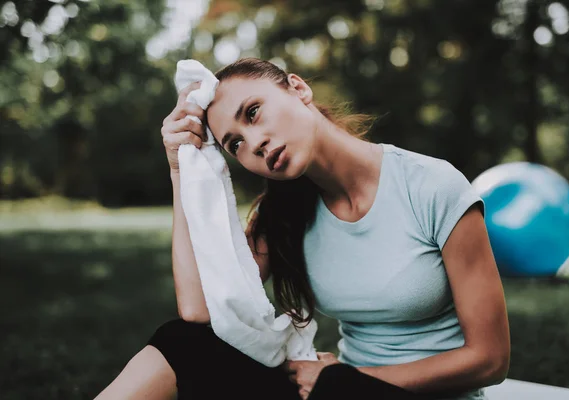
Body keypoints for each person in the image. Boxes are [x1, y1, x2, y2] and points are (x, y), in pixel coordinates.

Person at [95, 58, 510, 400]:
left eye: (253, 113)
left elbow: (490, 359)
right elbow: (199, 310)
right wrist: (180, 168)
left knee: (335, 389)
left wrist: (353, 379)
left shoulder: (432, 186)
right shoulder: (283, 212)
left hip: (399, 394)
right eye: (234, 143)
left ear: (298, 89)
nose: (253, 143)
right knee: (183, 342)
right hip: (337, 391)